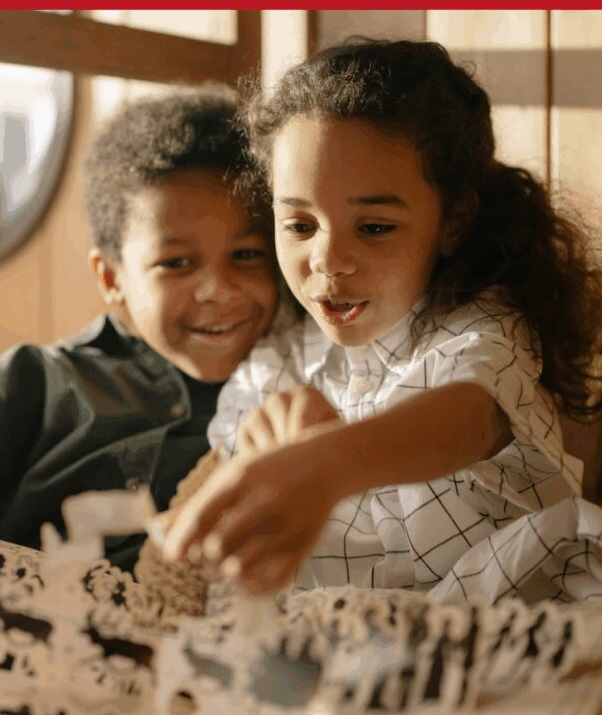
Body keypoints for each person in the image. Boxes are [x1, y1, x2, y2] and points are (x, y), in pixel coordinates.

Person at [164, 40, 602, 603]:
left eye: (374, 227)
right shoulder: (282, 357)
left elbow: (468, 416)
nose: (327, 259)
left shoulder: (482, 326)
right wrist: (259, 450)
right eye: (299, 225)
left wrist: (325, 463)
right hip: (338, 657)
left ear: (453, 220)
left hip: (511, 631)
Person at [0, 86, 278, 573]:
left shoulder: (293, 380)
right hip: (46, 631)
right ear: (111, 278)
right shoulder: (37, 380)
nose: (217, 288)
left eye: (247, 255)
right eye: (176, 263)